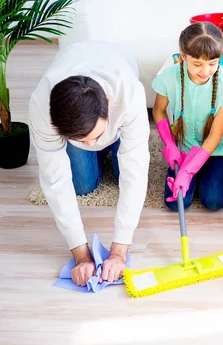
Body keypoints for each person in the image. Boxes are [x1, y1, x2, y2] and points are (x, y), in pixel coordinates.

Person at [29, 41, 150, 287]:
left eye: (95, 136)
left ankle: (111, 144)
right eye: (84, 139)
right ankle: (90, 146)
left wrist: (118, 252)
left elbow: (135, 172)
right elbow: (55, 179)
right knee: (82, 184)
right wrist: (80, 255)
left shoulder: (129, 93)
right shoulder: (42, 108)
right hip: (83, 116)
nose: (92, 142)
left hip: (117, 120)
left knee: (123, 171)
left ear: (108, 102)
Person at [151, 22, 223, 211]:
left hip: (219, 148)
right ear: (183, 55)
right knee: (177, 204)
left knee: (213, 200)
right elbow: (158, 110)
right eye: (197, 64)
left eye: (212, 64)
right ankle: (199, 169)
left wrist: (187, 170)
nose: (205, 71)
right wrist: (170, 144)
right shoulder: (169, 77)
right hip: (186, 145)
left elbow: (215, 136)